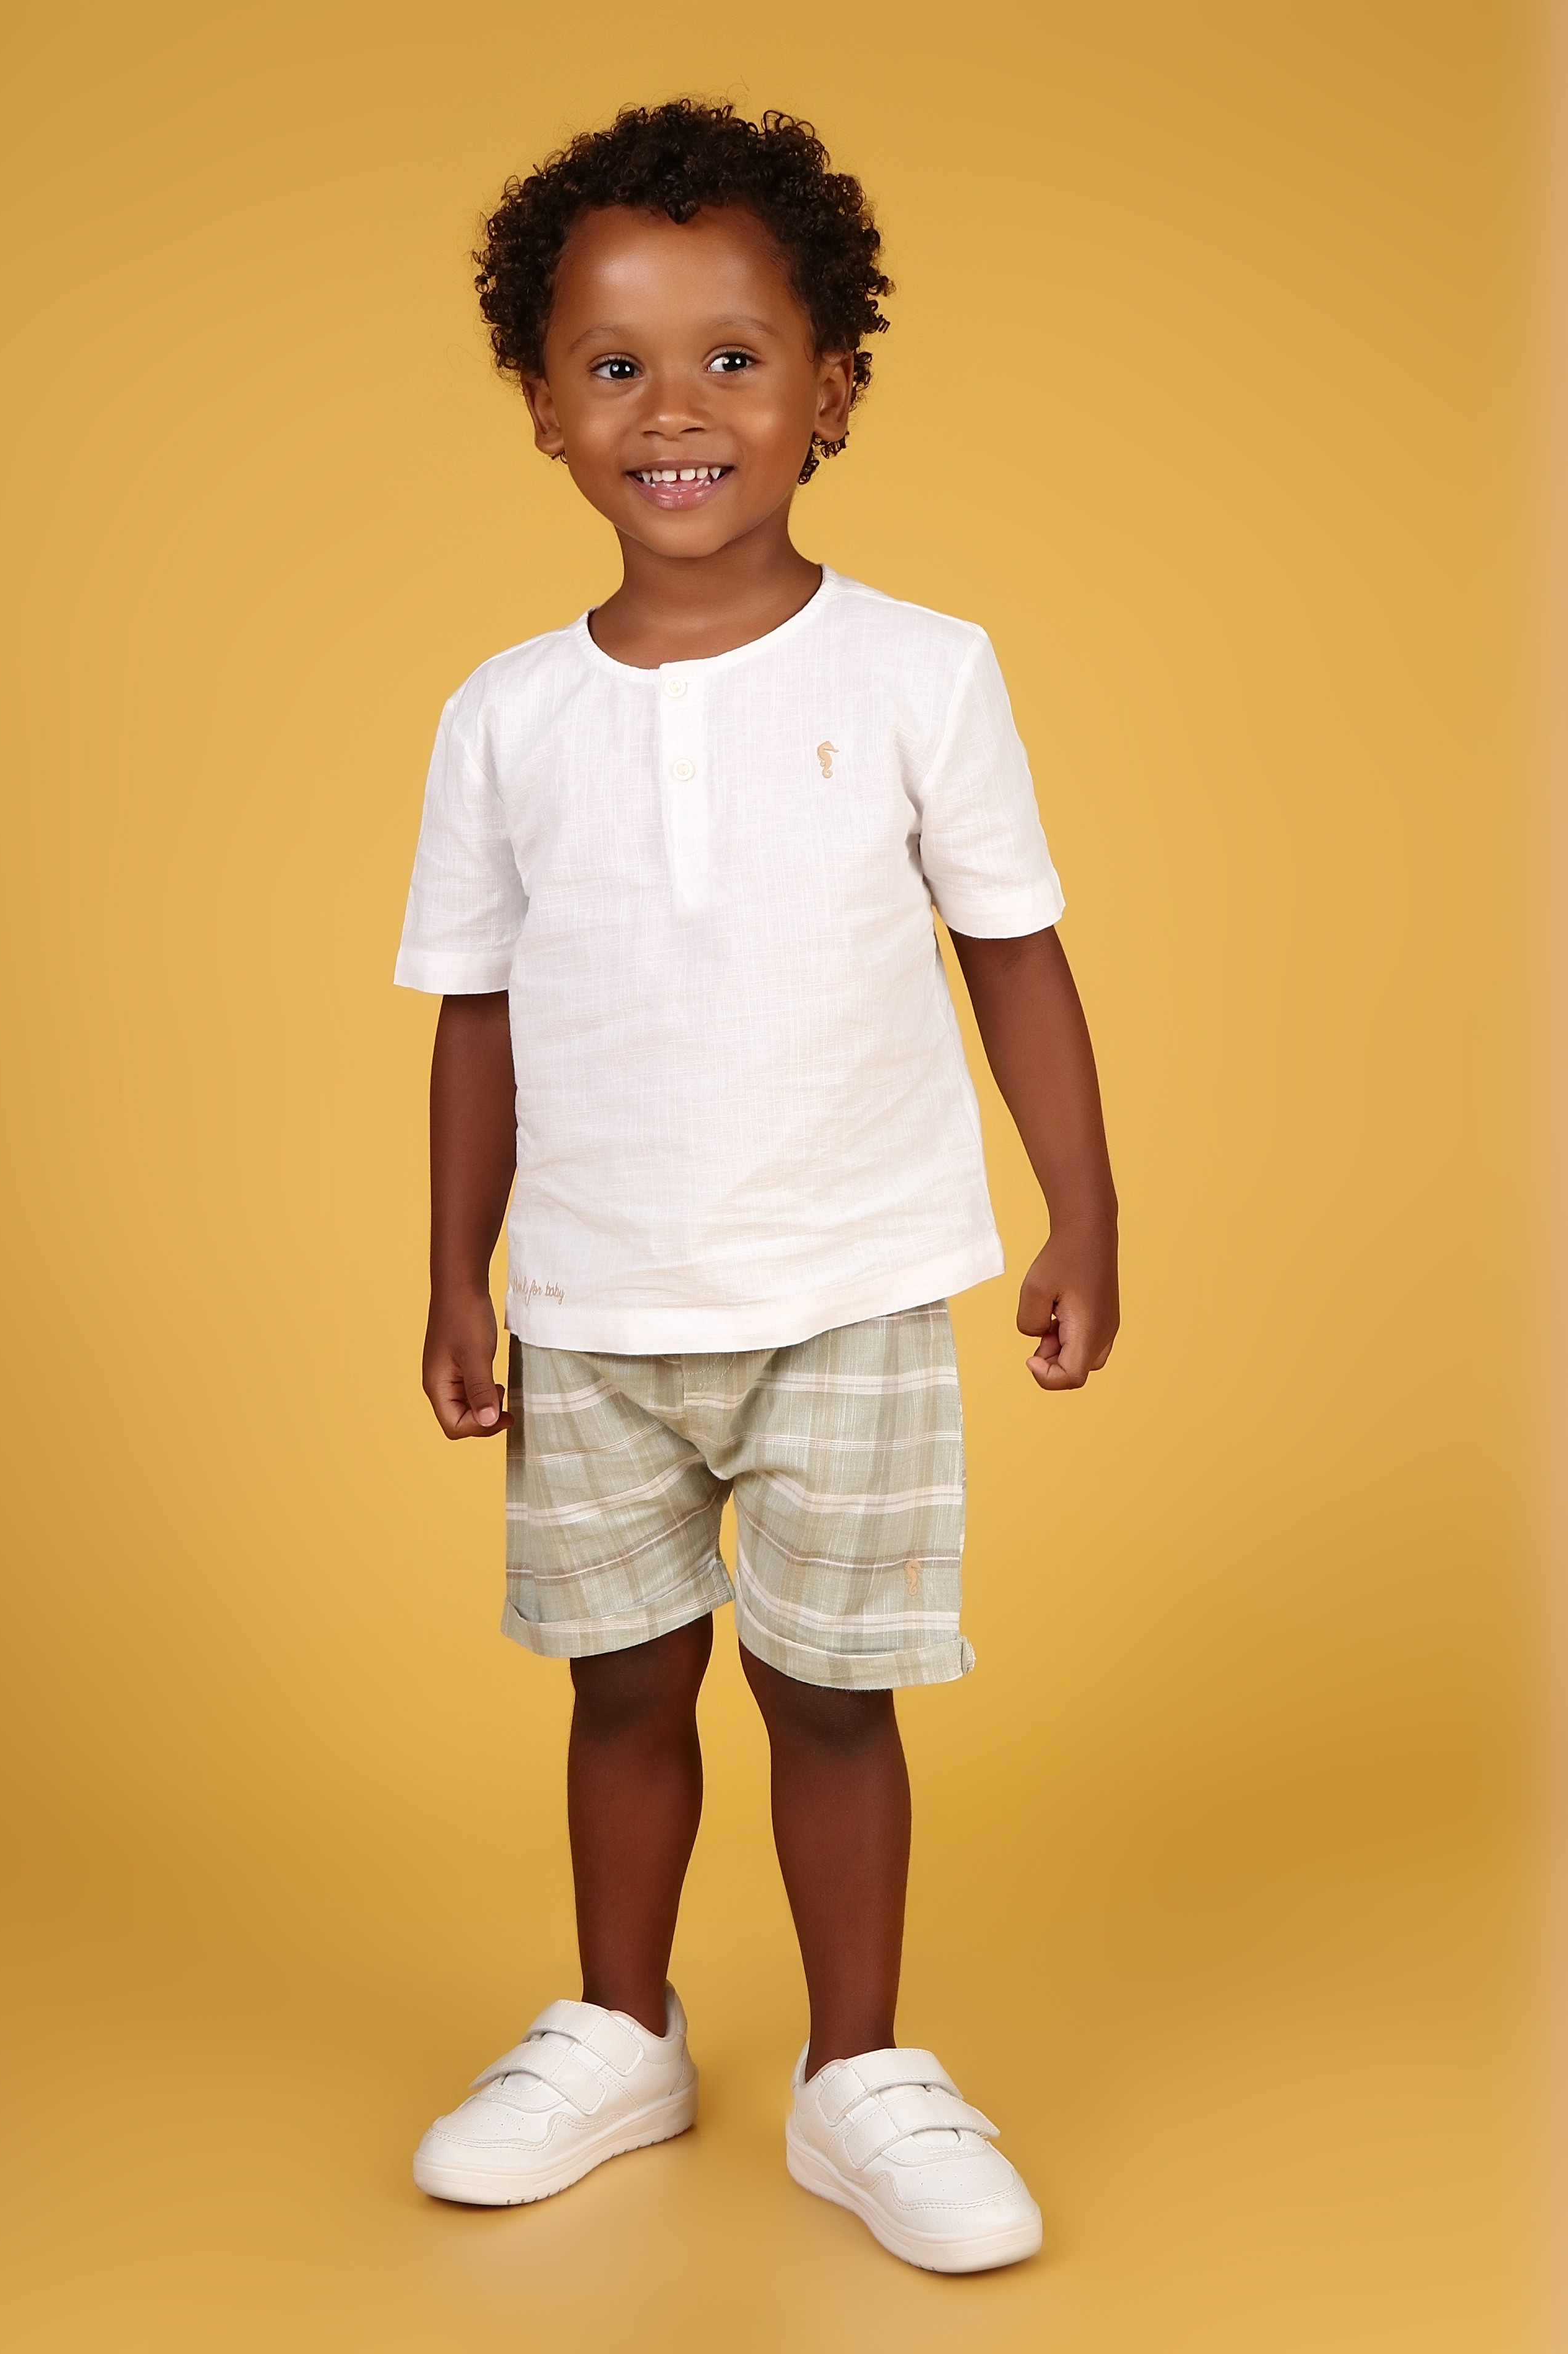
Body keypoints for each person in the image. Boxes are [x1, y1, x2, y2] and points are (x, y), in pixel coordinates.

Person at [394, 101, 1118, 2274]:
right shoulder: (504, 716)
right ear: (543, 410)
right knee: (620, 1683)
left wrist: (1084, 1214)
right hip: (596, 1302)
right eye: (613, 366)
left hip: (853, 1286)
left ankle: (855, 2074)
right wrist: (455, 1274)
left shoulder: (920, 671)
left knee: (829, 1693)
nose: (675, 410)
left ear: (832, 390)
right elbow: (474, 1012)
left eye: (732, 357)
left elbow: (1012, 953)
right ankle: (622, 2029)